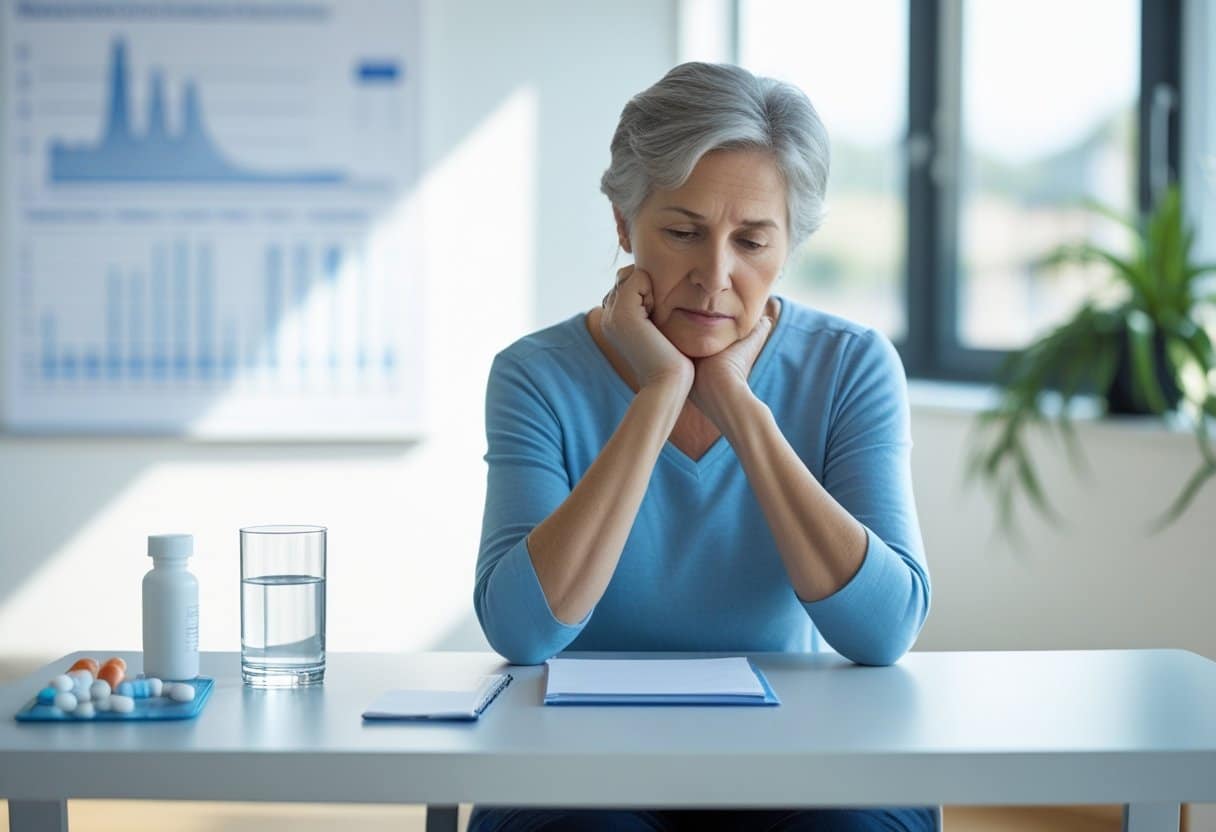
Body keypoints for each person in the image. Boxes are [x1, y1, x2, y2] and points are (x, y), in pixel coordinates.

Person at [470, 62, 935, 832]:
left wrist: (736, 404)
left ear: (790, 244)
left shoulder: (851, 365)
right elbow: (521, 632)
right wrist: (659, 397)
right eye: (682, 232)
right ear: (624, 224)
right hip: (581, 766)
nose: (714, 277)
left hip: (798, 762)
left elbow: (885, 631)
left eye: (752, 241)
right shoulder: (536, 376)